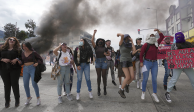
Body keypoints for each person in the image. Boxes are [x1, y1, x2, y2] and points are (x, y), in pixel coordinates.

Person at [165, 32, 194, 103]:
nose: (178, 37)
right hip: (178, 65)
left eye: (179, 36)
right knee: (174, 79)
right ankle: (167, 92)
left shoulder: (189, 44)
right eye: (177, 36)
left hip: (187, 65)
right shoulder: (173, 45)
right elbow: (171, 54)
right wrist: (168, 58)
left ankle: (168, 92)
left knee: (193, 79)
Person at [139, 29, 164, 102]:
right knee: (145, 79)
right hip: (146, 63)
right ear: (148, 37)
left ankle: (154, 94)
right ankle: (143, 92)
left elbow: (162, 37)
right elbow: (141, 54)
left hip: (155, 63)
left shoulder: (156, 43)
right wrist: (141, 62)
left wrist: (158, 31)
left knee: (154, 79)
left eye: (153, 35)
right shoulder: (146, 44)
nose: (152, 36)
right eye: (151, 35)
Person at [0, 37, 22, 108]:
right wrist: (3, 59)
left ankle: (17, 100)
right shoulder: (2, 48)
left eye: (14, 40)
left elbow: (22, 58)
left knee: (14, 84)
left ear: (15, 42)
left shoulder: (18, 50)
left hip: (15, 69)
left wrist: (16, 59)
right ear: (8, 40)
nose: (12, 40)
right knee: (6, 85)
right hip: (3, 68)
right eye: (10, 39)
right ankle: (7, 101)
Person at [91, 29, 110, 96]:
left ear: (103, 42)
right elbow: (92, 40)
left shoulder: (105, 48)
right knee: (98, 76)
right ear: (97, 42)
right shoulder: (95, 47)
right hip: (98, 62)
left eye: (101, 41)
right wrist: (94, 33)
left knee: (104, 76)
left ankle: (104, 88)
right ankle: (98, 89)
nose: (100, 42)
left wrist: (106, 54)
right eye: (99, 41)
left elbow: (109, 54)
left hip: (104, 61)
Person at [117, 33, 136, 99]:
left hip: (129, 60)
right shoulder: (121, 43)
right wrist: (118, 34)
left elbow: (134, 51)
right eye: (127, 37)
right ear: (125, 38)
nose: (128, 38)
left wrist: (132, 41)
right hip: (124, 60)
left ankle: (127, 85)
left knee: (132, 77)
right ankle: (121, 90)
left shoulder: (129, 45)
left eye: (129, 37)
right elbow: (122, 35)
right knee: (127, 77)